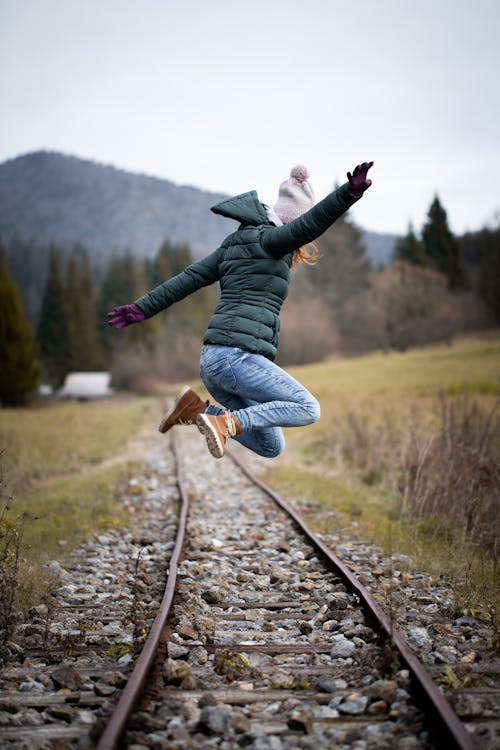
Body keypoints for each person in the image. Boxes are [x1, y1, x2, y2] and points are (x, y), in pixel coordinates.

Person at [108, 161, 373, 459]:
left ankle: (199, 411)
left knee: (272, 446)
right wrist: (348, 194)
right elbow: (313, 221)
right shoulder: (273, 240)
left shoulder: (233, 245)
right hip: (236, 359)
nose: (302, 244)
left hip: (213, 363)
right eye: (300, 235)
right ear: (290, 222)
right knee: (307, 407)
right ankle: (227, 422)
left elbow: (189, 278)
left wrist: (142, 308)